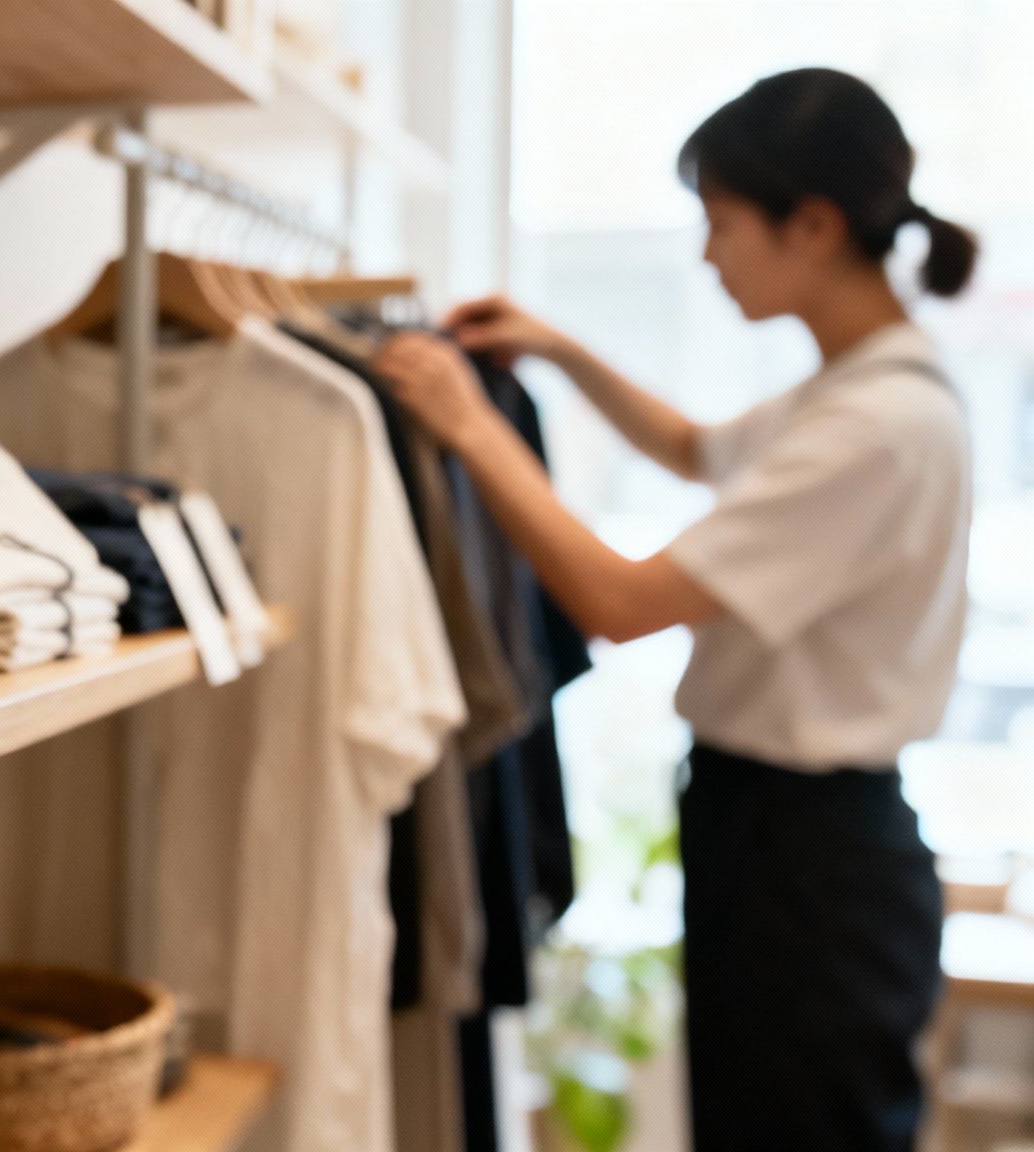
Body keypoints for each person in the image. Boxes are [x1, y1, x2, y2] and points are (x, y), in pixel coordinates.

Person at [375, 67, 978, 1151]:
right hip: (785, 839)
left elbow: (619, 602)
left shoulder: (877, 423)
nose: (705, 257)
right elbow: (693, 449)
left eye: (719, 224)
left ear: (811, 224)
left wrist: (472, 427)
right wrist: (554, 349)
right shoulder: (855, 386)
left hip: (811, 862)